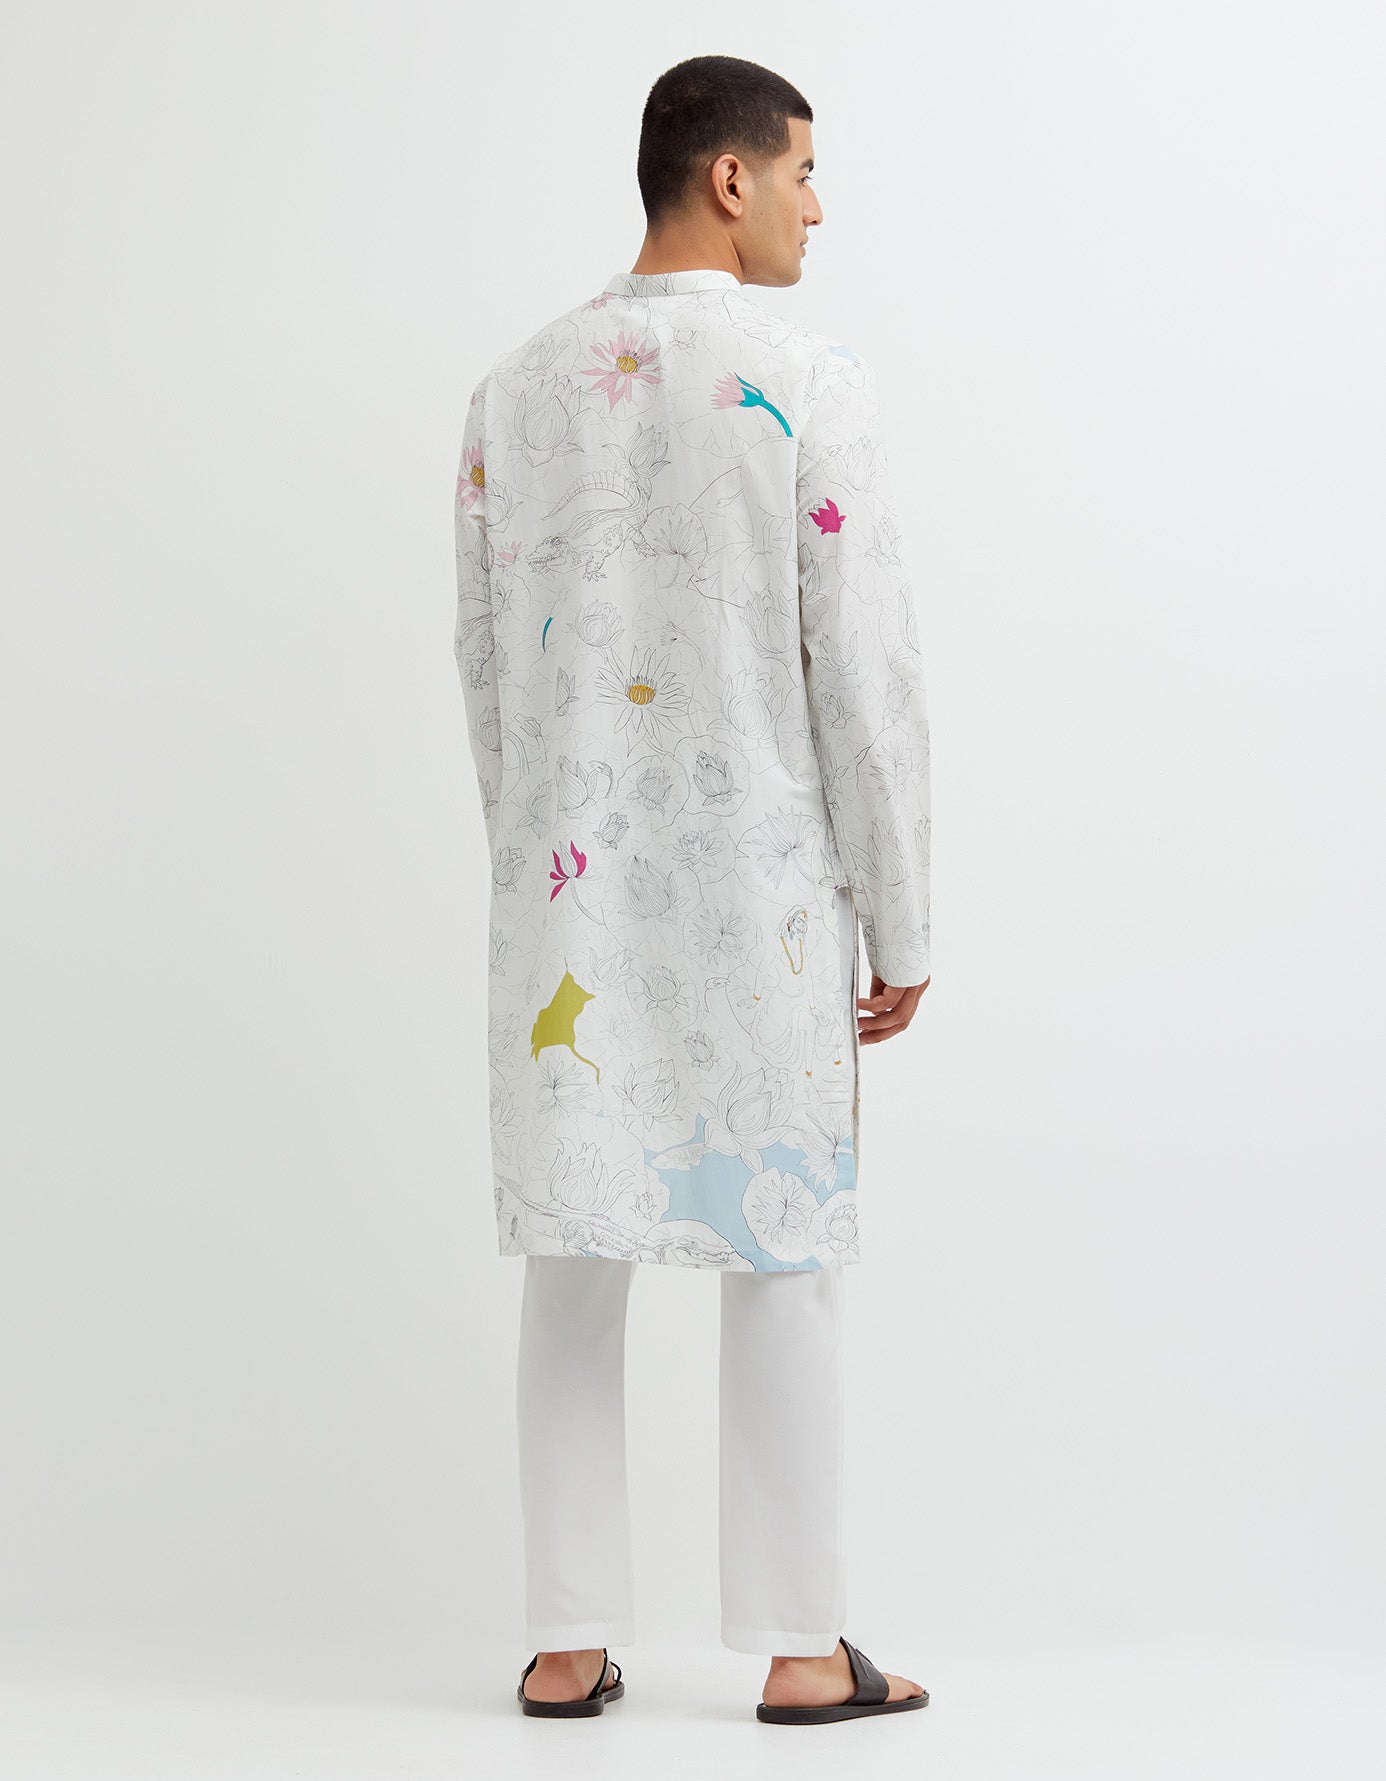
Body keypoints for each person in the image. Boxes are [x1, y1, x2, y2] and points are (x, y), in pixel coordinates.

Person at [453, 54, 932, 1725]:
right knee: (781, 1245)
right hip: (763, 898)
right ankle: (800, 1645)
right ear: (727, 178)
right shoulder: (809, 381)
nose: (817, 203)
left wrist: (530, 863)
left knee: (571, 1253)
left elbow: (486, 667)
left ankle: (565, 1637)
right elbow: (862, 677)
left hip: (567, 902)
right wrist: (902, 912)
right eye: (801, 170)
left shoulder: (514, 389)